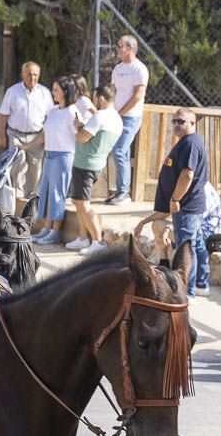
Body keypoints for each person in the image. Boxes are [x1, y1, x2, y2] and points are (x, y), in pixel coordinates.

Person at [132, 108, 208, 295]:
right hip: (186, 205)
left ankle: (187, 291)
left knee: (185, 249)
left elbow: (187, 174)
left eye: (181, 121)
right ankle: (201, 284)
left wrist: (175, 198)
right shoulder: (186, 143)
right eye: (174, 121)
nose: (176, 125)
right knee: (195, 244)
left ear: (192, 123)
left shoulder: (190, 143)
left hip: (186, 205)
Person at [20, 76, 82, 245]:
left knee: (58, 194)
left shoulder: (72, 111)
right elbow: (44, 134)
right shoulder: (53, 111)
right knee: (46, 192)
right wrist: (27, 147)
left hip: (63, 157)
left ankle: (55, 232)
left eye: (56, 89)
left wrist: (80, 125)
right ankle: (46, 229)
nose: (53, 92)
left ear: (65, 92)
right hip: (49, 155)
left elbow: (79, 135)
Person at [67, 83, 122, 254]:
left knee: (83, 204)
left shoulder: (100, 115)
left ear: (100, 98)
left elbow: (83, 138)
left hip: (85, 164)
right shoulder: (117, 118)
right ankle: (83, 237)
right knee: (78, 201)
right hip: (95, 163)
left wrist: (76, 128)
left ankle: (98, 241)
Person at [0, 61, 53, 213]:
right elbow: (3, 115)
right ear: (23, 75)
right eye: (29, 74)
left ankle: (32, 199)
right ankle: (17, 199)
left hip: (37, 137)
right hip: (16, 135)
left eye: (35, 74)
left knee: (36, 168)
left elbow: (51, 116)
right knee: (18, 165)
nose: (32, 77)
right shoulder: (13, 91)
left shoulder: (44, 93)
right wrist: (2, 135)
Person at [107, 35, 149, 204]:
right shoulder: (117, 69)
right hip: (116, 116)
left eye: (120, 45)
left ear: (130, 48)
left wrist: (121, 112)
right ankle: (118, 191)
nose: (117, 48)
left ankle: (123, 192)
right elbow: (112, 91)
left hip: (130, 117)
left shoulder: (139, 69)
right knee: (119, 152)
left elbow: (138, 95)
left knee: (119, 151)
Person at [196, 181, 221, 295]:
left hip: (208, 229)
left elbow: (198, 217)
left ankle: (201, 283)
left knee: (193, 236)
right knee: (159, 225)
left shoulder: (203, 189)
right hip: (198, 225)